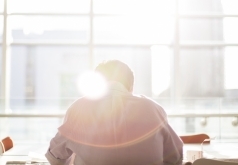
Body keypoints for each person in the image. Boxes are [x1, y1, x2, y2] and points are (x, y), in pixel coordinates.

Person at [45, 59, 183, 165]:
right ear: (131, 86)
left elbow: (55, 157)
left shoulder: (79, 107)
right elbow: (176, 157)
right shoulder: (153, 108)